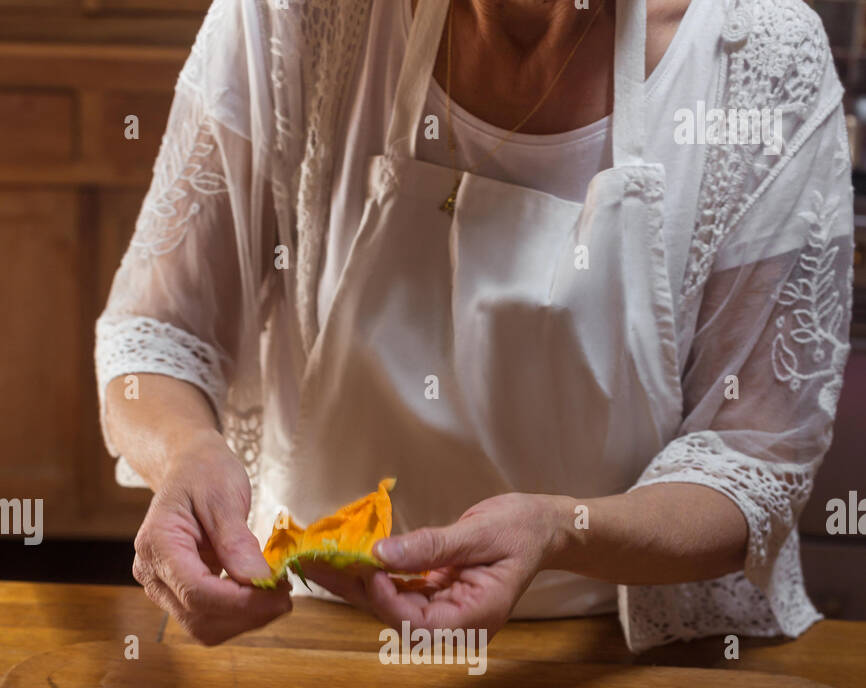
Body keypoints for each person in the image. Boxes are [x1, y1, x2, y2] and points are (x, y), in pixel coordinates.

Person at [96, 0, 854, 649]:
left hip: (611, 660)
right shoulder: (291, 17)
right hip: (308, 632)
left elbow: (754, 455)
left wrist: (562, 531)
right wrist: (187, 453)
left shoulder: (754, 60)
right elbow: (155, 334)